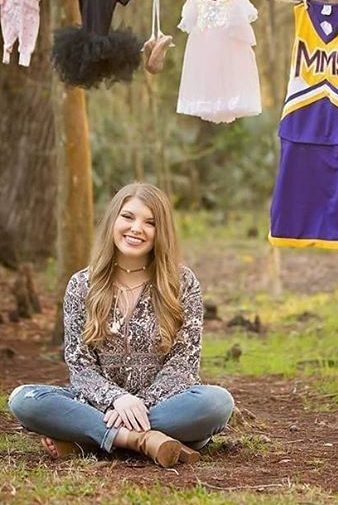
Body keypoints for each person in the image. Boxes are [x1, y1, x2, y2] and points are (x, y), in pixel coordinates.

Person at [8, 182, 234, 467]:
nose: (136, 228)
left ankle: (91, 437)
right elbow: (80, 365)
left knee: (217, 403)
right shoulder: (82, 285)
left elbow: (184, 365)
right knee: (24, 399)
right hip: (100, 403)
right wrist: (116, 399)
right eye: (128, 217)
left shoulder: (182, 283)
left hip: (166, 405)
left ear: (160, 232)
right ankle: (143, 441)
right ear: (113, 219)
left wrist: (139, 405)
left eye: (149, 222)